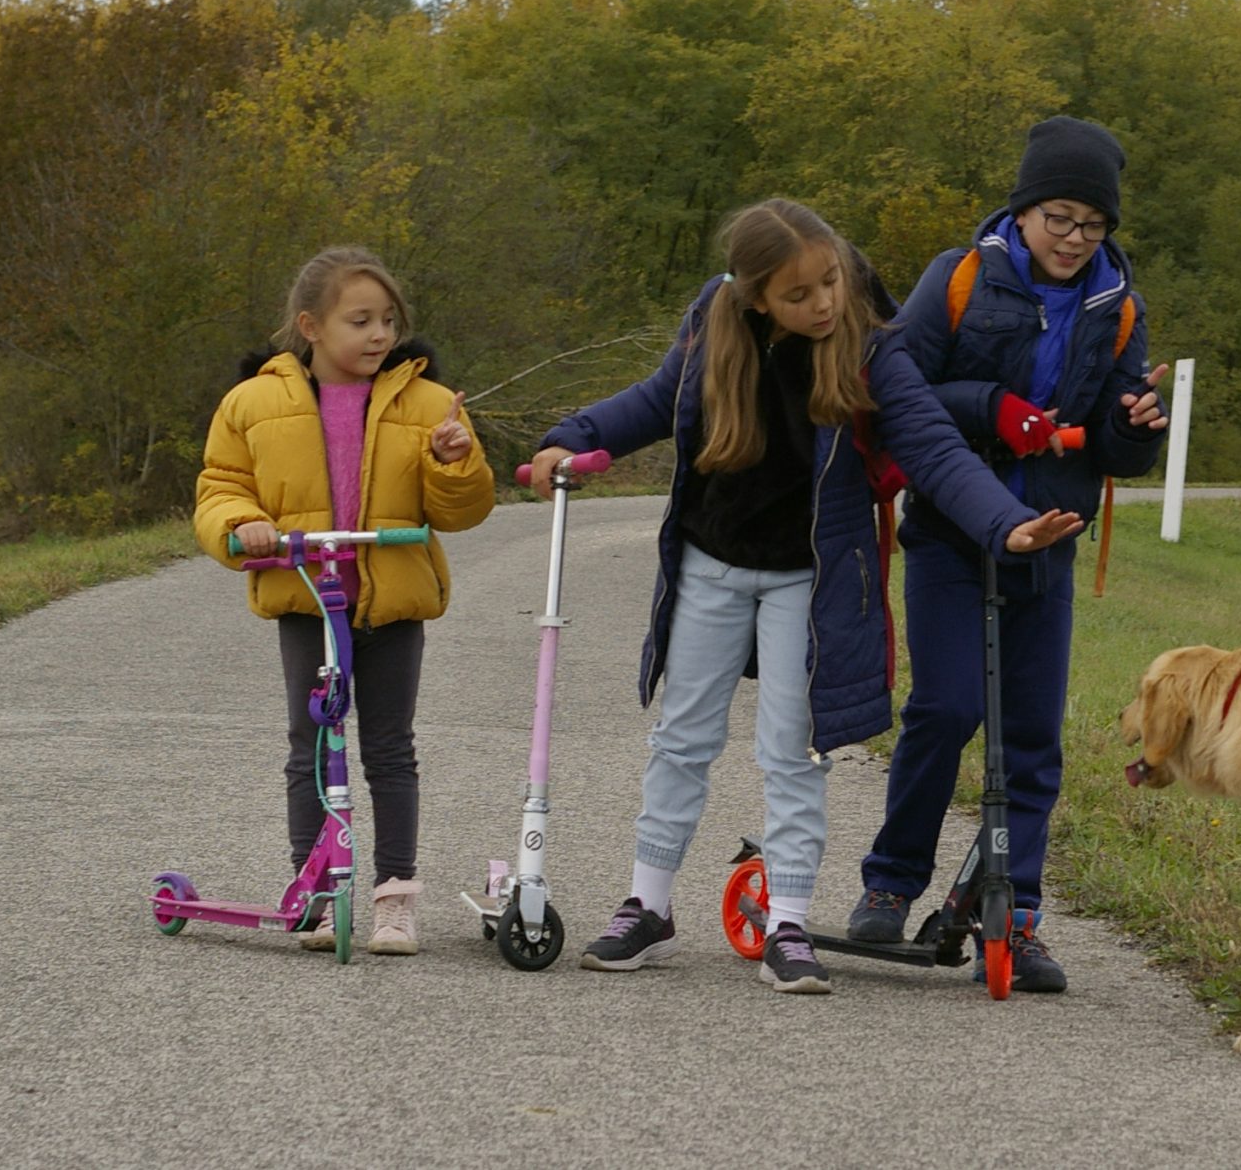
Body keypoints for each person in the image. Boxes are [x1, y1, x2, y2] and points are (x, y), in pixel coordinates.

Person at [528, 198, 1081, 996]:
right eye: (800, 294)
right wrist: (572, 439)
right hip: (712, 565)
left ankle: (787, 919)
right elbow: (652, 402)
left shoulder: (865, 347)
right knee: (682, 739)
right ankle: (647, 906)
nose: (823, 303)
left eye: (831, 281)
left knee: (796, 750)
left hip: (810, 581)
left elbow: (931, 444)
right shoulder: (714, 325)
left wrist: (1007, 525)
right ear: (755, 297)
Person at [849, 117, 1169, 992]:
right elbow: (898, 387)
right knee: (947, 709)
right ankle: (890, 883)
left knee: (1032, 738)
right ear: (1025, 210)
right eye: (1058, 217)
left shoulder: (1119, 304)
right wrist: (993, 404)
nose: (1073, 239)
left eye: (1091, 224)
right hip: (955, 528)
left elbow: (1116, 446)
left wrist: (1135, 425)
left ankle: (1013, 913)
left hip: (1052, 539)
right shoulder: (958, 277)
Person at [195, 245, 496, 956]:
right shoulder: (252, 404)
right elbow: (221, 486)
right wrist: (244, 527)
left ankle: (395, 899)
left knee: (390, 749)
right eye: (360, 321)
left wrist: (455, 463)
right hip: (306, 598)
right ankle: (321, 891)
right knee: (313, 747)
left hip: (392, 605)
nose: (379, 335)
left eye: (388, 320)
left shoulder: (427, 403)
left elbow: (462, 510)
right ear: (311, 326)